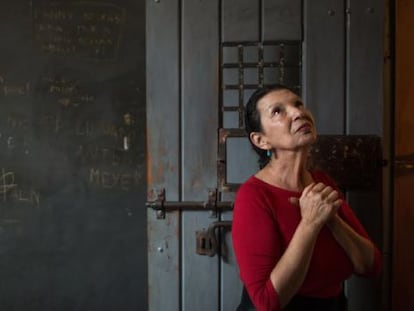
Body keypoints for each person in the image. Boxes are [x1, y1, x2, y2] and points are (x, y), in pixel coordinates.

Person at [231, 84, 382, 311]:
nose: (298, 112)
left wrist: (331, 220)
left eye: (298, 104)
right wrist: (310, 223)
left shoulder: (322, 182)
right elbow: (267, 302)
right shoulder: (254, 196)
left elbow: (371, 265)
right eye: (277, 111)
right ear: (261, 141)